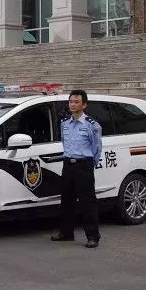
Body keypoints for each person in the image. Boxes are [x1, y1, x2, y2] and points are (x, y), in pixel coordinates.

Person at [52, 89, 103, 249]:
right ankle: (66, 233)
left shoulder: (92, 125)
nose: (72, 104)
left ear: (84, 105)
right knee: (67, 200)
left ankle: (93, 236)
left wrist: (88, 164)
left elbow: (97, 149)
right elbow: (64, 143)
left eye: (76, 102)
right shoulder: (65, 124)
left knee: (88, 202)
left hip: (83, 165)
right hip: (68, 164)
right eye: (70, 101)